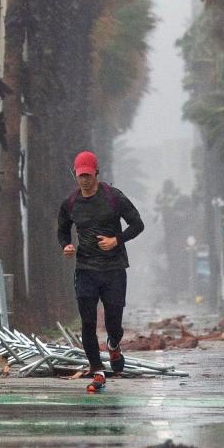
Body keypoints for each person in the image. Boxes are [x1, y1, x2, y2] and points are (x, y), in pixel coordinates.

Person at [58, 150, 145, 377]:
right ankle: (97, 369)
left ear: (96, 173)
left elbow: (137, 224)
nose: (84, 180)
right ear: (74, 175)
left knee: (113, 323)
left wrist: (116, 240)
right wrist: (66, 245)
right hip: (85, 270)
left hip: (114, 269)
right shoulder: (70, 203)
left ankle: (114, 346)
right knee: (87, 323)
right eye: (80, 176)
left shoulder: (113, 197)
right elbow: (62, 229)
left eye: (88, 175)